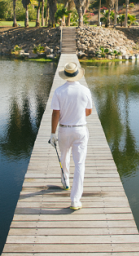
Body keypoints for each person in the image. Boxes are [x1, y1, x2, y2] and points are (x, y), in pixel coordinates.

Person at [50, 62, 92, 210]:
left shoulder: (59, 91)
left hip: (64, 130)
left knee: (64, 155)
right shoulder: (85, 90)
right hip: (80, 130)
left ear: (65, 76)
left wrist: (52, 133)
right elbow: (88, 112)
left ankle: (65, 181)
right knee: (80, 164)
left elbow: (56, 113)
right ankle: (75, 200)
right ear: (77, 74)